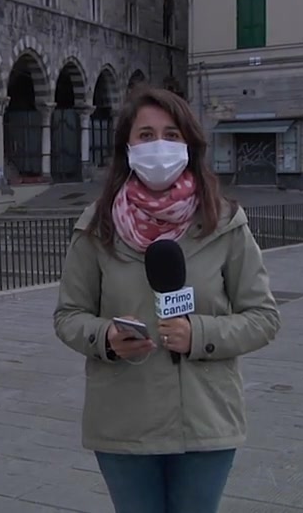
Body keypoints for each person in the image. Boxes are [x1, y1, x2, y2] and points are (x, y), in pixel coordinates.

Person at [53, 86, 282, 513]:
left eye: (171, 134)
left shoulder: (225, 224)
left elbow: (264, 317)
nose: (159, 145)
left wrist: (200, 334)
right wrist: (106, 337)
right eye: (146, 134)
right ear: (127, 146)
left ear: (189, 144)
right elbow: (68, 315)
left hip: (205, 419)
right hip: (123, 421)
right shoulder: (96, 229)